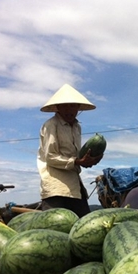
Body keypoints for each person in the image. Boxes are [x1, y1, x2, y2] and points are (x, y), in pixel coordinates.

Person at [37, 84, 103, 217]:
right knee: (54, 227)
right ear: (58, 108)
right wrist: (78, 161)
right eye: (65, 106)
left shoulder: (77, 127)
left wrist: (92, 159)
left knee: (83, 223)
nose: (69, 110)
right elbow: (50, 157)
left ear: (78, 108)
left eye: (73, 106)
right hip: (56, 186)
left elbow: (77, 157)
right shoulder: (51, 125)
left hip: (74, 184)